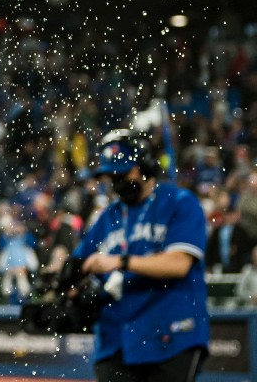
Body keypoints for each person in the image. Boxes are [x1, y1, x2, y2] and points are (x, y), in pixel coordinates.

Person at [74, 129, 210, 382]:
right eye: (110, 176)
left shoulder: (180, 201)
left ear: (145, 165)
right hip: (117, 342)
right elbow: (78, 264)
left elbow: (179, 264)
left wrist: (120, 262)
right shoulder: (108, 216)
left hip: (171, 334)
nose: (116, 181)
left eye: (123, 173)